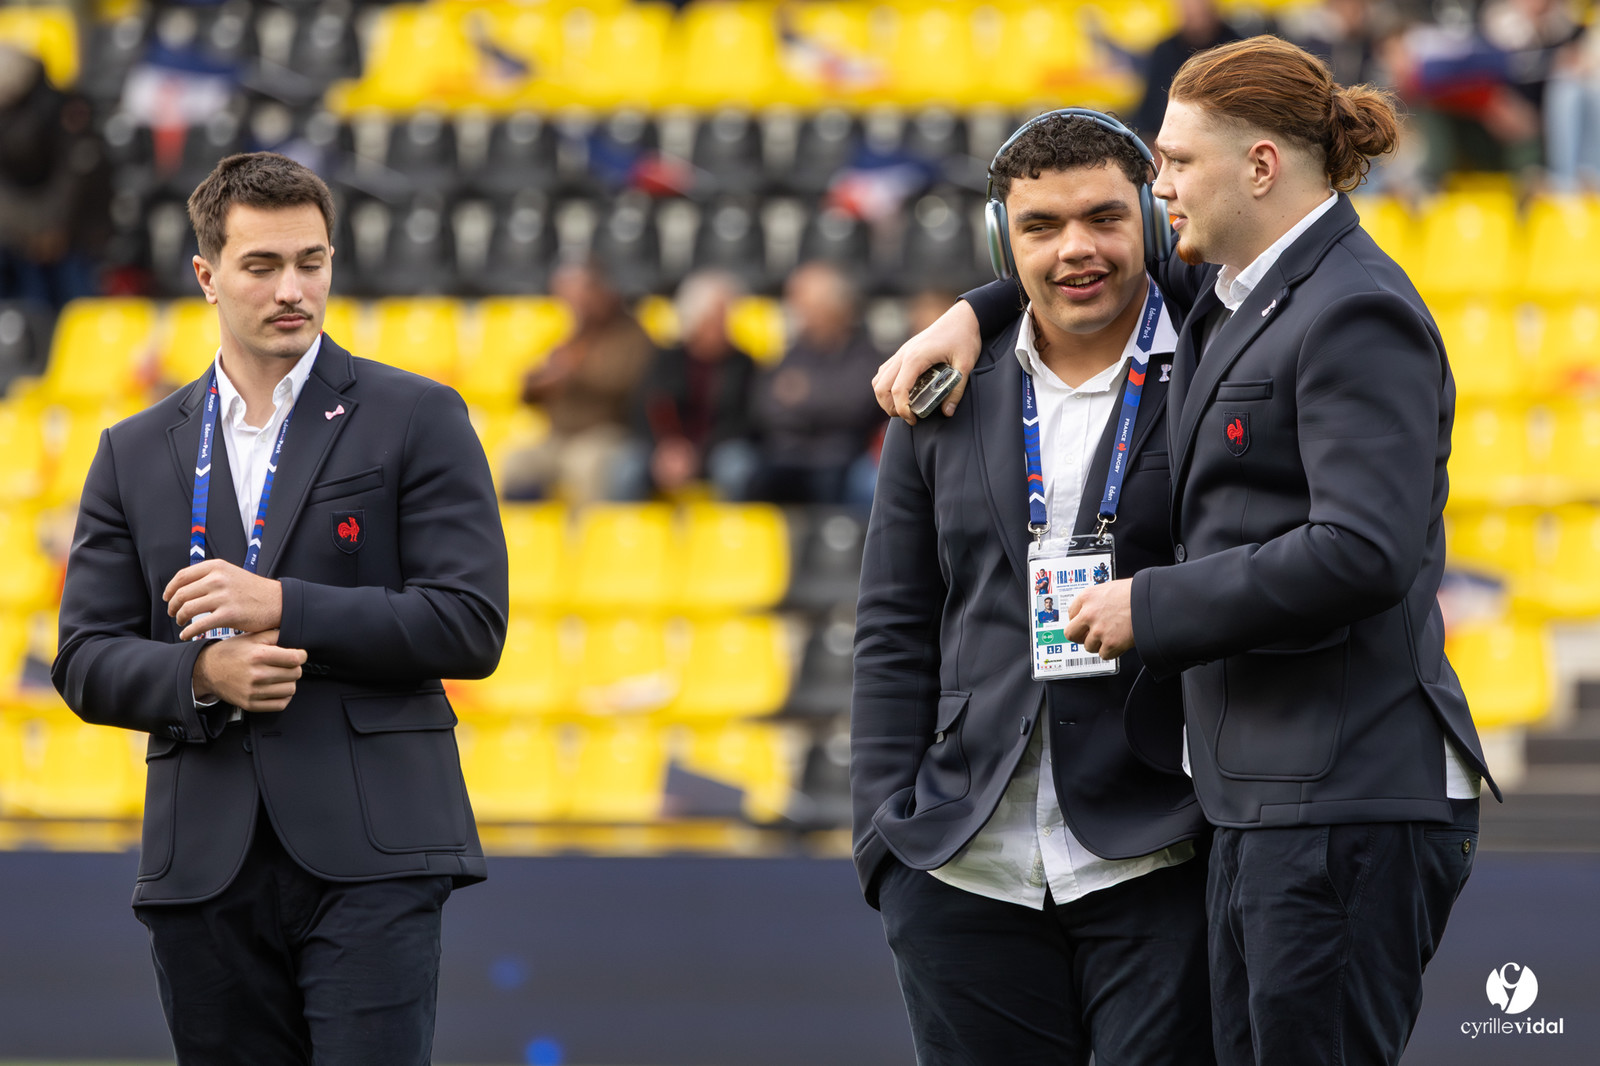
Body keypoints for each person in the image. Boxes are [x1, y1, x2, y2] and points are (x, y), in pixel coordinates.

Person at [869, 38, 1500, 1066]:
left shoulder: (1354, 307)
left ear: (1258, 167)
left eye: (1171, 163)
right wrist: (972, 310)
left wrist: (1145, 607)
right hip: (1268, 800)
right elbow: (1071, 263)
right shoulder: (1254, 290)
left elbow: (1363, 551)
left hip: (1337, 797)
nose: (1158, 189)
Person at [52, 152, 509, 1065]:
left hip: (377, 852)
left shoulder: (419, 415)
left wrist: (283, 607)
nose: (293, 288)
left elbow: (469, 622)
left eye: (313, 261)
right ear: (208, 276)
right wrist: (200, 673)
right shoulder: (134, 450)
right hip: (203, 863)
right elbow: (84, 658)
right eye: (263, 266)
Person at [852, 111, 1212, 1066]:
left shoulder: (1221, 357)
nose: (1075, 250)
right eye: (1041, 227)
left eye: (1102, 218)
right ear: (1000, 239)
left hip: (1161, 848)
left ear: (1150, 216)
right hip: (964, 866)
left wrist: (972, 304)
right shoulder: (940, 394)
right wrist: (885, 842)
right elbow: (894, 620)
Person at [505, 259, 656, 502]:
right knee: (517, 462)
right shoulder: (569, 332)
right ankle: (521, 537)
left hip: (608, 433)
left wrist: (572, 373)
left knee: (583, 466)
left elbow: (624, 382)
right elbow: (531, 384)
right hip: (558, 435)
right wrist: (538, 382)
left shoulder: (631, 335)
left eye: (582, 294)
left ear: (602, 291)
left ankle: (588, 537)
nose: (577, 304)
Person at [748, 260, 885, 506]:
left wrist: (803, 396)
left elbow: (856, 406)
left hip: (840, 455)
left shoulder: (864, 354)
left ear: (835, 308)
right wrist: (821, 400)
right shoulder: (790, 353)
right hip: (785, 453)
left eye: (807, 305)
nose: (799, 313)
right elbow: (766, 406)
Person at [617, 269, 759, 500]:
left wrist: (697, 454)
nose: (727, 325)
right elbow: (645, 409)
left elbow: (744, 421)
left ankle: (732, 535)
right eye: (718, 317)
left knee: (737, 467)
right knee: (626, 467)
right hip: (665, 450)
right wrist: (665, 450)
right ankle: (626, 535)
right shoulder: (666, 359)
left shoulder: (743, 364)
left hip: (715, 450)